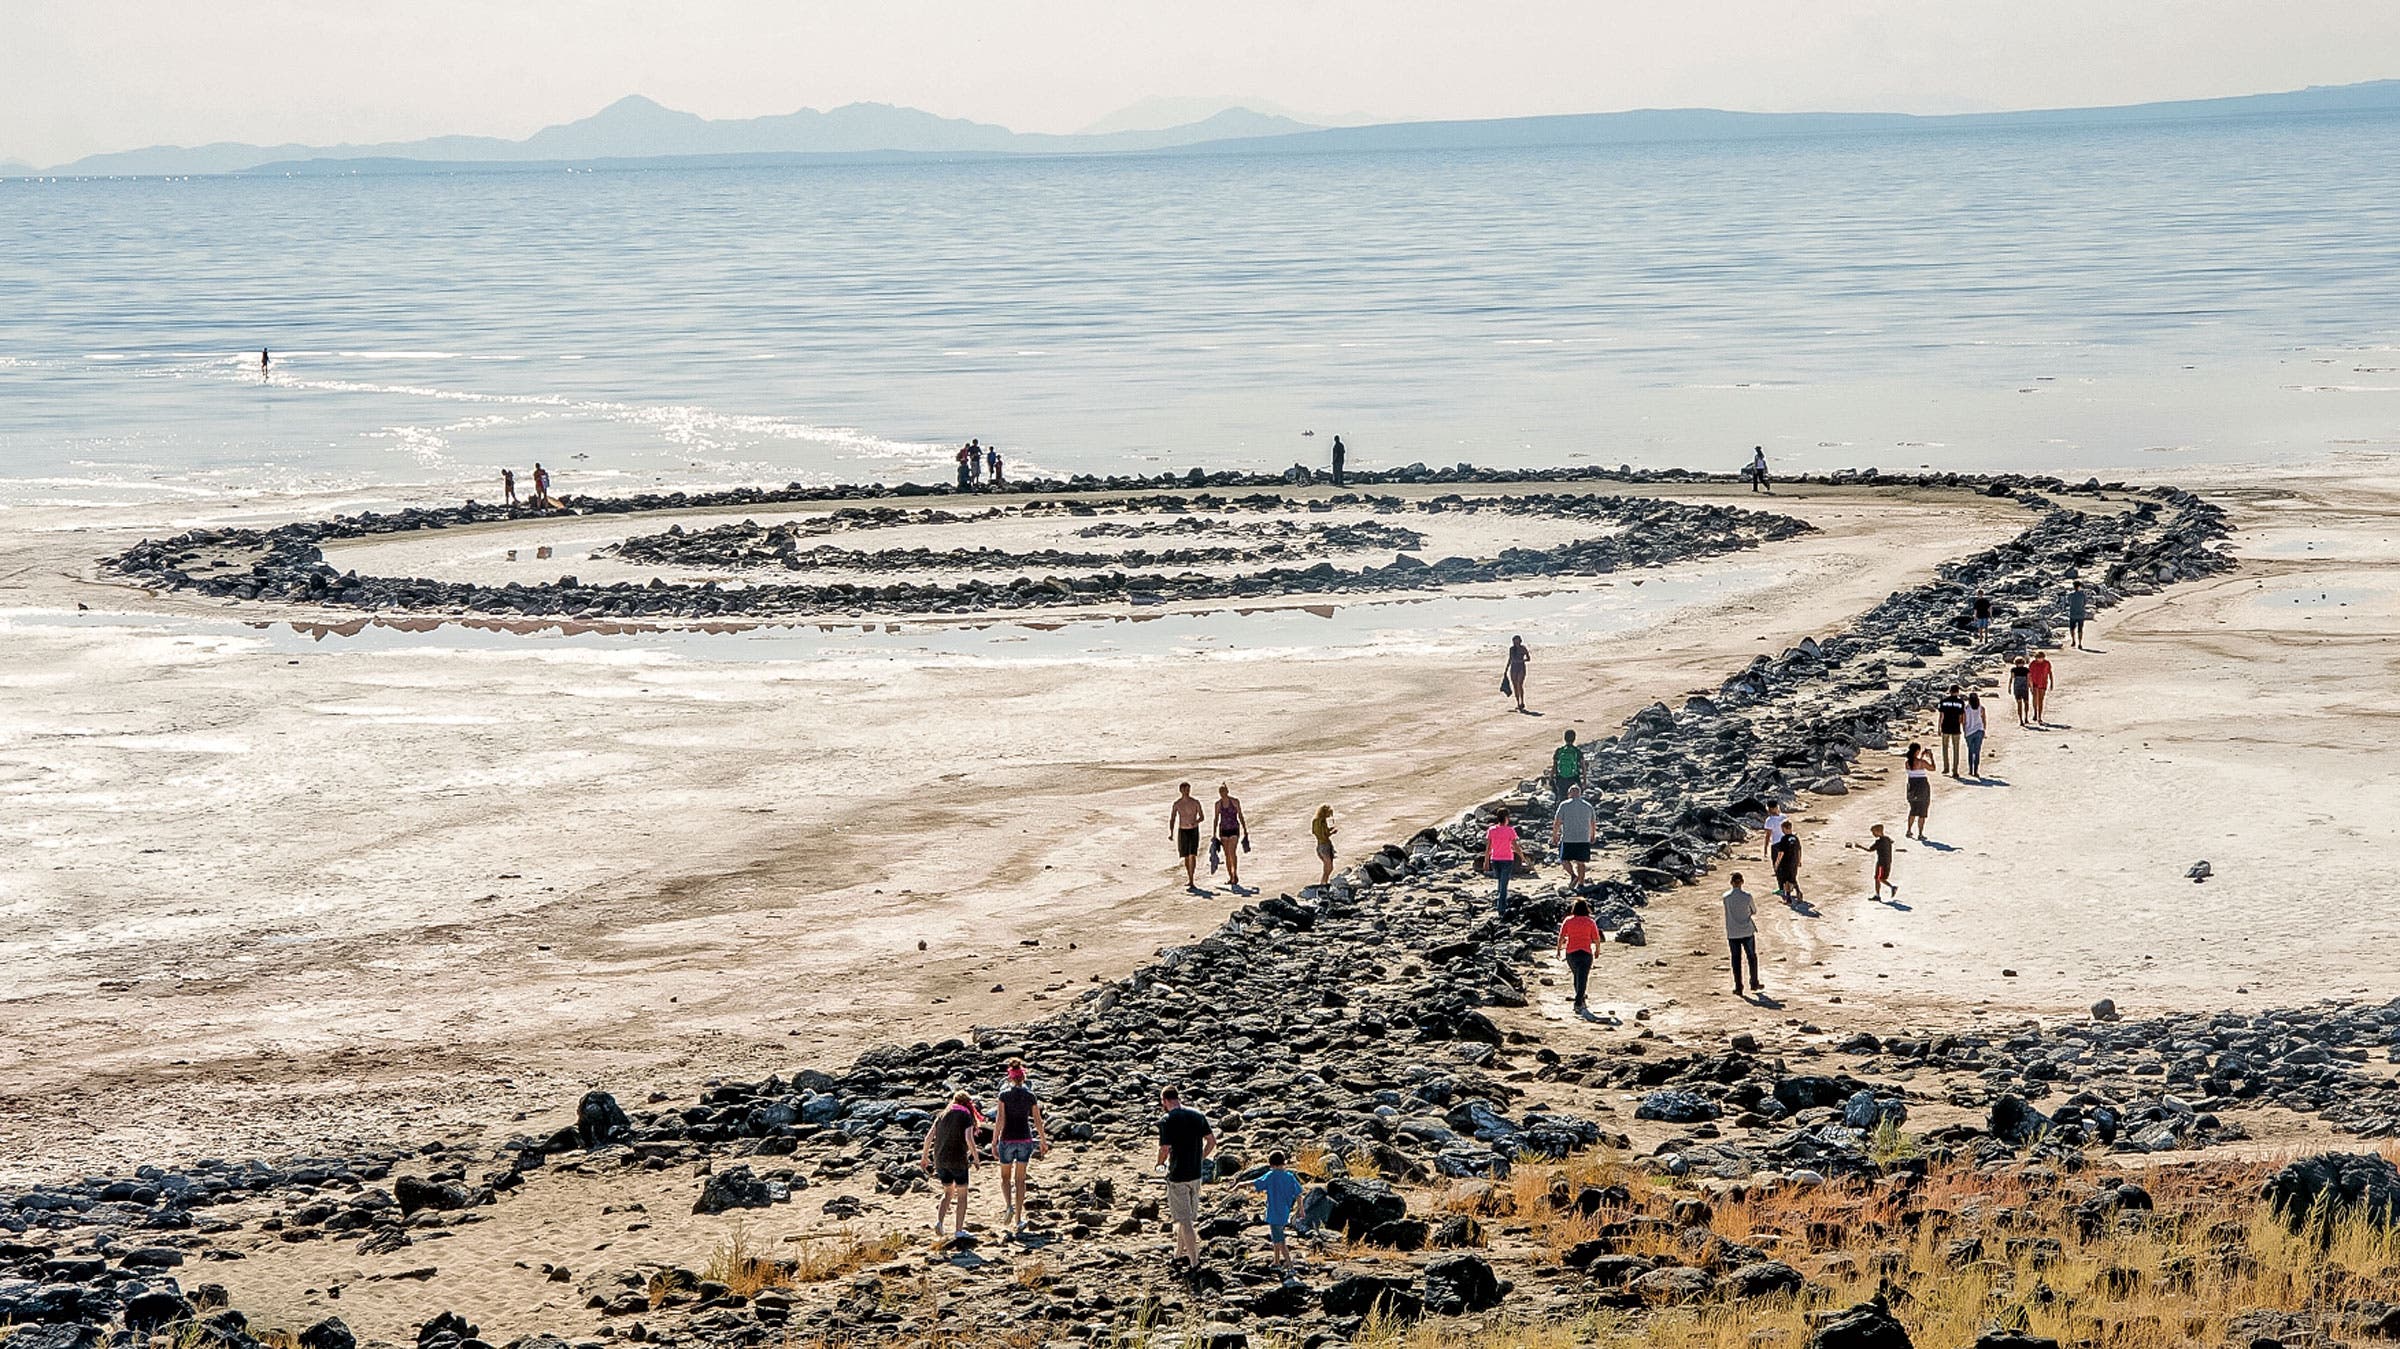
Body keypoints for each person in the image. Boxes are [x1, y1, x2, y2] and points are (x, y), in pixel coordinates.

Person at [1156, 1088, 1215, 1273]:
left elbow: (1164, 1148)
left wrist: (1159, 1164)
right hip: (1195, 1174)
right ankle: (1178, 1254)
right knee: (1186, 1217)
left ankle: (1194, 1261)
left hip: (1178, 1175)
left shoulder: (1167, 1120)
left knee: (1185, 1220)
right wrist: (1201, 1159)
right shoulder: (1197, 1115)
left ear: (1164, 1100)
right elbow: (1212, 1142)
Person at [991, 1059, 1048, 1234]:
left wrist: (994, 1141)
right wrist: (1043, 1140)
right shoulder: (1030, 1096)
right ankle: (1018, 1218)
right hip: (1024, 1139)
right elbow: (1037, 1121)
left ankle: (1009, 1206)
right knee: (1021, 1180)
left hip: (1007, 1139)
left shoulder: (1004, 1095)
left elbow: (1000, 1120)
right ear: (1023, 1077)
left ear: (1010, 1078)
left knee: (1005, 1178)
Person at [920, 1090, 983, 1237]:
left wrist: (924, 1157)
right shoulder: (965, 1116)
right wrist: (976, 1157)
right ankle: (959, 1230)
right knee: (962, 1195)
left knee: (948, 1192)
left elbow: (928, 1138)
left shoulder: (941, 1115)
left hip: (940, 1160)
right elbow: (969, 1139)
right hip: (958, 1160)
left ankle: (939, 1222)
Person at [1251, 1151, 1303, 1276]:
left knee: (1279, 1239)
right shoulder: (1289, 1177)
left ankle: (1290, 1265)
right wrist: (1301, 1209)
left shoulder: (1271, 1175)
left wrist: (1239, 1185)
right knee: (1276, 1236)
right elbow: (1299, 1195)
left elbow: (1256, 1183)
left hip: (1274, 1211)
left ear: (1271, 1164)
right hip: (1284, 1211)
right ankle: (1276, 1261)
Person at [1556, 897, 1600, 1012]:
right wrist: (1597, 950)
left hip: (1571, 953)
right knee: (1583, 978)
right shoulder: (1590, 922)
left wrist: (1559, 950)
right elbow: (1596, 938)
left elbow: (1561, 937)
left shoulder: (1568, 921)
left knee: (1577, 976)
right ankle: (1578, 1002)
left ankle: (1580, 999)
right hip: (1585, 953)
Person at [1723, 873, 1761, 996]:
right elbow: (1754, 911)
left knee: (1736, 960)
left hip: (1733, 931)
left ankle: (1738, 986)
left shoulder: (1726, 897)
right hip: (1747, 930)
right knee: (1751, 957)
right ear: (1742, 882)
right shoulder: (1748, 897)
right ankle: (1754, 982)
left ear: (1731, 883)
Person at [1554, 784, 1596, 890]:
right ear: (1580, 794)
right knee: (1581, 863)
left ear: (1569, 794)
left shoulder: (1564, 805)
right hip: (1583, 838)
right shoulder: (1588, 806)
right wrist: (1592, 835)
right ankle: (1581, 884)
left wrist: (1555, 835)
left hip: (1568, 838)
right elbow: (1593, 823)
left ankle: (1573, 875)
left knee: (1564, 860)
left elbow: (1557, 822)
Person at [1846, 823, 1899, 900]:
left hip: (1881, 863)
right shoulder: (1887, 839)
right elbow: (1891, 841)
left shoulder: (1879, 842)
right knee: (1879, 878)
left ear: (1878, 832)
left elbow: (1870, 850)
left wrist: (1860, 847)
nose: (1873, 834)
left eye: (1874, 832)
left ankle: (1890, 888)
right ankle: (1879, 894)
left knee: (1879, 878)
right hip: (1887, 861)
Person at [1483, 809, 1519, 915]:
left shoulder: (1491, 830)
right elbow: (1515, 846)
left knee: (1500, 882)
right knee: (1503, 884)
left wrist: (1486, 861)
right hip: (1507, 859)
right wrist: (1522, 856)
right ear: (1506, 818)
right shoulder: (1510, 830)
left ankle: (1500, 903)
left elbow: (1488, 847)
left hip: (1495, 859)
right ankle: (1501, 908)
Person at [1213, 785, 1249, 893]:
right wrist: (1214, 833)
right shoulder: (1218, 804)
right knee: (1227, 854)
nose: (1222, 793)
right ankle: (1230, 876)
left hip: (1234, 828)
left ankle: (1234, 874)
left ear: (1227, 791)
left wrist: (1245, 829)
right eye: (1221, 791)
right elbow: (1216, 818)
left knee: (1232, 852)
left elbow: (1240, 815)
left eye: (1224, 791)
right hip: (1223, 830)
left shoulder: (1235, 801)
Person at [1170, 783, 1206, 891]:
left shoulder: (1195, 802)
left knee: (1192, 855)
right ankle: (1189, 876)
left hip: (1193, 830)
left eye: (1188, 789)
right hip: (1183, 830)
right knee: (1186, 855)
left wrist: (1196, 822)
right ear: (1180, 790)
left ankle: (1192, 879)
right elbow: (1172, 819)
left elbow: (1202, 817)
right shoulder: (1177, 804)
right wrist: (1171, 833)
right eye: (1185, 789)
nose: (1187, 791)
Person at [1903, 742, 1934, 839]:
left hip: (1912, 787)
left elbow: (1915, 765)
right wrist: (1931, 757)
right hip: (1922, 787)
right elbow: (1932, 768)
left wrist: (1921, 756)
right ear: (1917, 751)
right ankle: (1920, 833)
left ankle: (1909, 830)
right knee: (1922, 812)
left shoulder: (1907, 763)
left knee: (1913, 810)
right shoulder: (1922, 762)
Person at [1935, 685, 1967, 777]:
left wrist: (1939, 728)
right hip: (1956, 728)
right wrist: (1962, 726)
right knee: (1956, 749)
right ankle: (1955, 770)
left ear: (1950, 691)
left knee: (1945, 748)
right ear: (1958, 692)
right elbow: (1961, 717)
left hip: (1945, 727)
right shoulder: (1960, 702)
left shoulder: (1944, 702)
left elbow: (1941, 716)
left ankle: (1946, 767)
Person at [1772, 826, 1803, 902]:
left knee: (1786, 880)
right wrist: (1799, 860)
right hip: (1794, 862)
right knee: (1792, 878)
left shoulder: (1784, 839)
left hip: (1785, 862)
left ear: (1785, 829)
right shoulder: (1796, 838)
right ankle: (1798, 891)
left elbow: (1781, 853)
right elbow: (1799, 850)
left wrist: (1777, 863)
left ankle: (1788, 898)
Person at [1550, 729, 1585, 796]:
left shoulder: (1559, 751)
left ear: (1564, 738)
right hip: (1573, 778)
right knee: (1574, 796)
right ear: (1574, 739)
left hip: (1561, 779)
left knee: (1561, 797)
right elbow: (1583, 767)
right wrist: (1584, 781)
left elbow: (1554, 766)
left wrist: (1551, 778)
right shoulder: (1577, 751)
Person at [1310, 805, 1338, 886]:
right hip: (1324, 846)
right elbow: (1324, 835)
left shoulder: (1316, 821)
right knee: (1328, 867)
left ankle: (1324, 882)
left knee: (1328, 867)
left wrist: (1329, 830)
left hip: (1322, 845)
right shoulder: (1320, 822)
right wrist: (1332, 832)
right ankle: (1323, 883)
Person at [1963, 692, 1988, 778]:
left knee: (1970, 751)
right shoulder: (1981, 708)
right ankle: (1976, 770)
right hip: (1979, 731)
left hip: (1969, 732)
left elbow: (1963, 721)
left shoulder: (1966, 709)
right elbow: (1984, 719)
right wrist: (1984, 729)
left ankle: (1970, 770)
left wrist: (1964, 732)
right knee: (1977, 751)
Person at [2028, 650, 2055, 725]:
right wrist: (2030, 685)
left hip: (2043, 683)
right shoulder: (2032, 664)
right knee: (2035, 699)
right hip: (2034, 683)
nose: (2040, 659)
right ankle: (2035, 713)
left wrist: (2052, 683)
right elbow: (2029, 674)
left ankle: (2039, 716)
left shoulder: (2047, 663)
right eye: (2039, 658)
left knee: (2041, 699)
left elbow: (2050, 673)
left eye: (2041, 658)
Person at [1503, 636, 1529, 713]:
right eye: (1514, 641)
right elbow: (1510, 659)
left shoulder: (1523, 648)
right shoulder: (1511, 649)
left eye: (1517, 641)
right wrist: (1506, 668)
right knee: (1515, 685)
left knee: (1519, 684)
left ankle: (1522, 702)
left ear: (1520, 641)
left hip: (1521, 667)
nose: (1516, 643)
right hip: (1513, 668)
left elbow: (1528, 658)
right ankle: (1518, 703)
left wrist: (1521, 660)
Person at [2010, 658, 2033, 727]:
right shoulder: (2025, 670)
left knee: (2024, 703)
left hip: (2020, 687)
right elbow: (2029, 679)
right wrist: (2031, 687)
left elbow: (2012, 678)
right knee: (2022, 703)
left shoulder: (2015, 670)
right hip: (2022, 688)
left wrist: (2031, 687)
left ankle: (2025, 718)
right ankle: (2022, 719)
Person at [2067, 580, 2089, 650]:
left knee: (2072, 628)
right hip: (2081, 614)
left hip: (2072, 614)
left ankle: (2073, 640)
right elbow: (2085, 603)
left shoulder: (2071, 595)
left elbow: (2068, 602)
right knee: (2080, 629)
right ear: (2079, 586)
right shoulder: (2083, 595)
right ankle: (2080, 643)